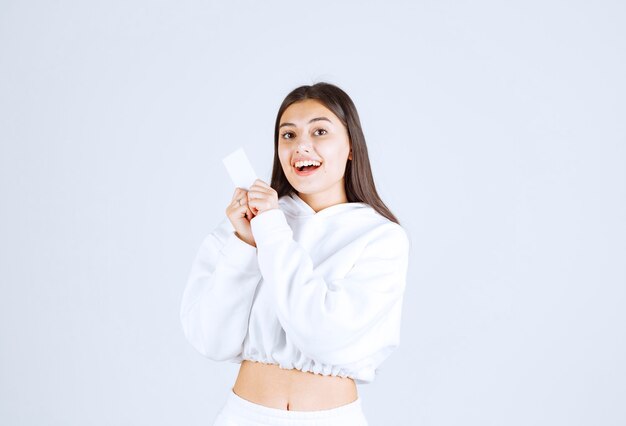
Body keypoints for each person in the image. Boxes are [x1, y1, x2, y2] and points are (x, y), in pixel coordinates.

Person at [180, 82, 411, 425]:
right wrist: (244, 246)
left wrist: (272, 231)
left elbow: (324, 335)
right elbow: (211, 340)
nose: (302, 145)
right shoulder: (248, 224)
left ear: (351, 147)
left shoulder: (380, 237)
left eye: (320, 131)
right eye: (288, 135)